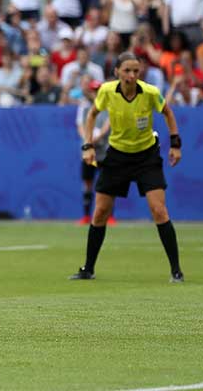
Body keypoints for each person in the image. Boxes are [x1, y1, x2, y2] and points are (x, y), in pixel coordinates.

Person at [71, 52, 184, 283]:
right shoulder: (106, 91)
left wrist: (175, 145)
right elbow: (92, 115)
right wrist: (88, 145)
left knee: (159, 210)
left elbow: (168, 113)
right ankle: (88, 269)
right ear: (117, 72)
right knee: (100, 211)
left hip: (146, 157)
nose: (132, 75)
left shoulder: (150, 92)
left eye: (136, 71)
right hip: (117, 157)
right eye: (127, 71)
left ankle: (176, 271)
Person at [75, 79, 111, 226]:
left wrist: (98, 137)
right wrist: (88, 139)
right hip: (88, 151)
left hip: (103, 151)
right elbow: (80, 126)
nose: (96, 94)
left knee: (107, 184)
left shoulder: (108, 107)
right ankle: (86, 216)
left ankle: (109, 216)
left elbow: (107, 125)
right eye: (93, 91)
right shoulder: (84, 107)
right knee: (88, 183)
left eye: (98, 91)